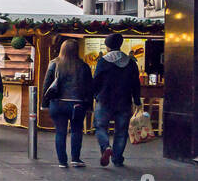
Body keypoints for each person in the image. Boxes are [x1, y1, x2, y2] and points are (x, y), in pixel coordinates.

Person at [92, 32, 142, 168]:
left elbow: (96, 81)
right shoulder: (130, 62)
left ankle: (106, 146)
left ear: (107, 46)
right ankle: (117, 158)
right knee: (121, 130)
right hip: (124, 101)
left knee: (100, 126)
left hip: (105, 100)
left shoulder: (103, 61)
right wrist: (137, 100)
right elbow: (135, 83)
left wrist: (95, 95)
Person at [42, 39, 93, 169]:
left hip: (57, 103)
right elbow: (89, 87)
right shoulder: (83, 66)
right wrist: (89, 105)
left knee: (60, 132)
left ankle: (62, 161)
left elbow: (47, 84)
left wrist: (44, 103)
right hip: (77, 104)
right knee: (76, 130)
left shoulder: (54, 64)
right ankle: (75, 159)